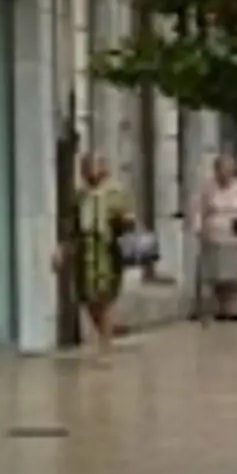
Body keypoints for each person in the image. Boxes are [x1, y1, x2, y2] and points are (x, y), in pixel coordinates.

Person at [59, 153, 133, 357]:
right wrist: (63, 250)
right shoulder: (79, 197)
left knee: (105, 298)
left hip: (108, 254)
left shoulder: (116, 194)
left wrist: (126, 222)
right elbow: (70, 228)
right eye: (86, 167)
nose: (90, 171)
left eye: (94, 166)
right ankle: (105, 332)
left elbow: (127, 221)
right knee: (87, 299)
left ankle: (105, 345)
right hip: (85, 255)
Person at [193, 154, 237, 321]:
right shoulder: (208, 188)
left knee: (233, 274)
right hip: (214, 232)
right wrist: (198, 227)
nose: (225, 174)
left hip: (235, 233)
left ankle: (232, 307)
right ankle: (219, 307)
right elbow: (199, 209)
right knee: (217, 272)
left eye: (229, 169)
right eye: (222, 169)